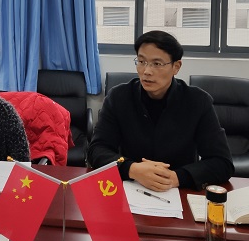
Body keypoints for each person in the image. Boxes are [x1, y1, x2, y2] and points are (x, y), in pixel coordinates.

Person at [88, 30, 234, 191]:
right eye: (141, 61)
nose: (147, 71)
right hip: (131, 187)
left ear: (176, 67)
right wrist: (132, 169)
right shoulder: (118, 97)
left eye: (157, 64)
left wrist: (176, 177)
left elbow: (222, 163)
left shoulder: (198, 101)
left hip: (177, 190)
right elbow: (96, 150)